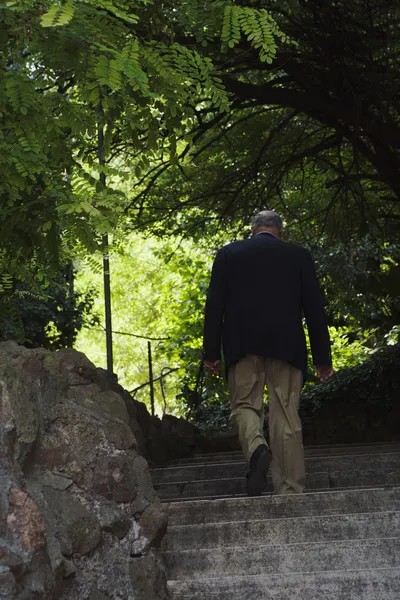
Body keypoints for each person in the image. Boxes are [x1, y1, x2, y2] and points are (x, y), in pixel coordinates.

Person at [203, 211, 333, 496]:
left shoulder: (229, 255)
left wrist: (211, 352)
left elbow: (214, 306)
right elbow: (314, 309)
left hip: (242, 345)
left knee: (245, 407)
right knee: (286, 414)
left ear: (253, 231)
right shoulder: (298, 256)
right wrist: (322, 358)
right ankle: (289, 489)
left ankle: (256, 447)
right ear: (280, 232)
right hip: (287, 346)